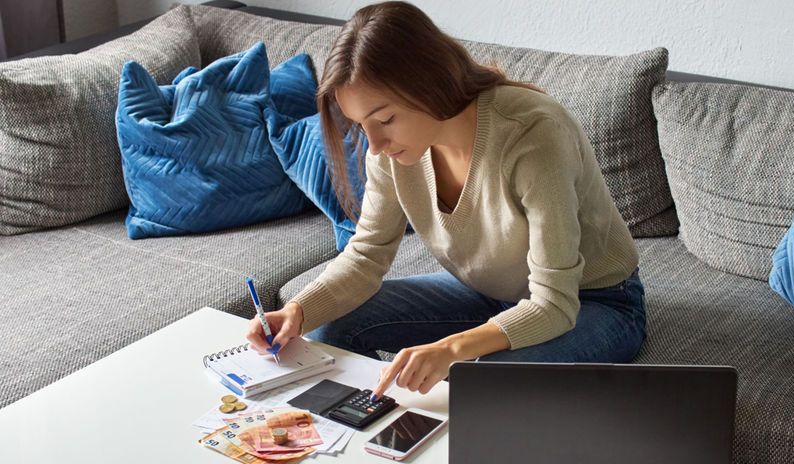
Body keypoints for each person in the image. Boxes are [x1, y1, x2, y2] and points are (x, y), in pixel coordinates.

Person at [246, 1, 646, 401]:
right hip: (492, 294)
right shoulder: (390, 151)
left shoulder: (532, 134)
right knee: (329, 326)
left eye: (385, 120)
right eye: (361, 125)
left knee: (481, 384)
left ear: (428, 83)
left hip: (591, 301)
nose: (375, 144)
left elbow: (554, 303)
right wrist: (298, 311)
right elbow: (367, 255)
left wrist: (451, 349)